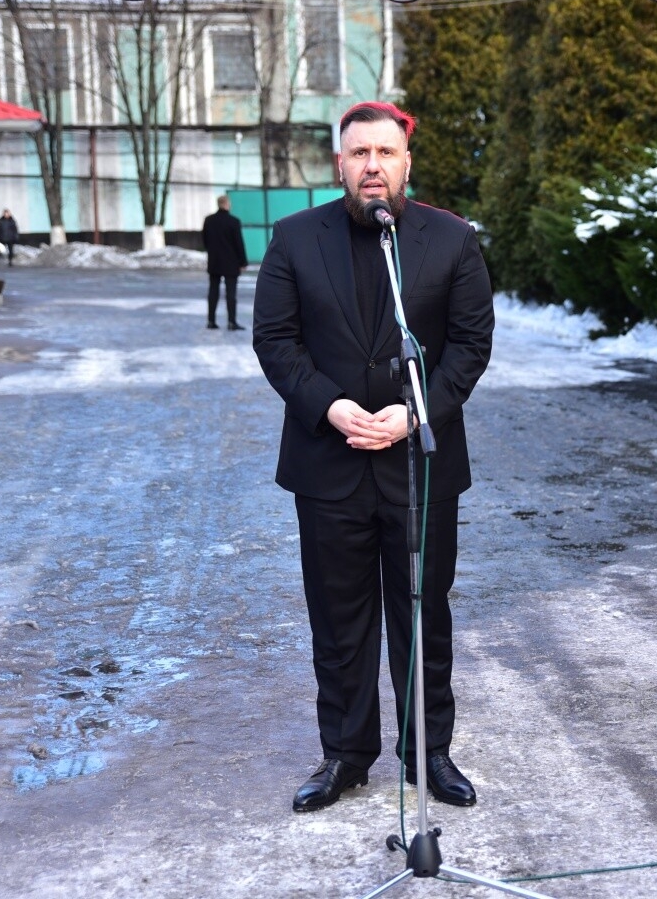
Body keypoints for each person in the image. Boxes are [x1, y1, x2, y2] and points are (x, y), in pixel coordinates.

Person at [251, 102, 494, 813]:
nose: (373, 167)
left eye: (386, 153)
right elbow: (275, 340)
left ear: (406, 163)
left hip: (419, 466)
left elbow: (470, 344)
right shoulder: (295, 238)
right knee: (339, 620)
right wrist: (329, 405)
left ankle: (429, 753)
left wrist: (415, 412)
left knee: (423, 615)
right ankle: (345, 755)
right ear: (340, 163)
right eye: (360, 154)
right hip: (329, 465)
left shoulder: (451, 239)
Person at [203, 195, 248, 330]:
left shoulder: (209, 220)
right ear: (227, 204)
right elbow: (238, 243)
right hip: (231, 263)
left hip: (214, 262)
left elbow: (205, 240)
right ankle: (231, 322)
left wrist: (212, 252)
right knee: (231, 294)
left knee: (213, 292)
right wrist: (243, 261)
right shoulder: (233, 221)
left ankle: (211, 321)